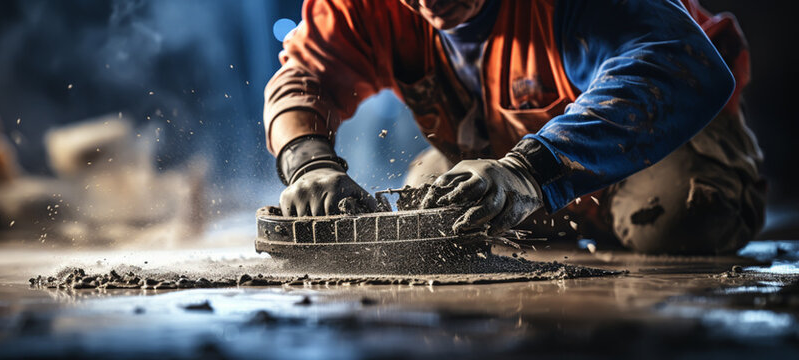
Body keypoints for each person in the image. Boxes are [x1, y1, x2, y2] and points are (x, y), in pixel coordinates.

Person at [262, 0, 765, 254]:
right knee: (427, 220)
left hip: (662, 133)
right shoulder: (364, 5)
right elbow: (304, 75)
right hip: (496, 153)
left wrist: (530, 171)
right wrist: (309, 163)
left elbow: (681, 61)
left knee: (675, 214)